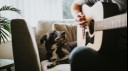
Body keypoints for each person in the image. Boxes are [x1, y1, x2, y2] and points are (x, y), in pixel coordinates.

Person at [69, 0, 127, 71]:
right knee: (77, 54)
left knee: (77, 54)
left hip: (122, 53)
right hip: (103, 51)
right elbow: (75, 5)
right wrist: (77, 15)